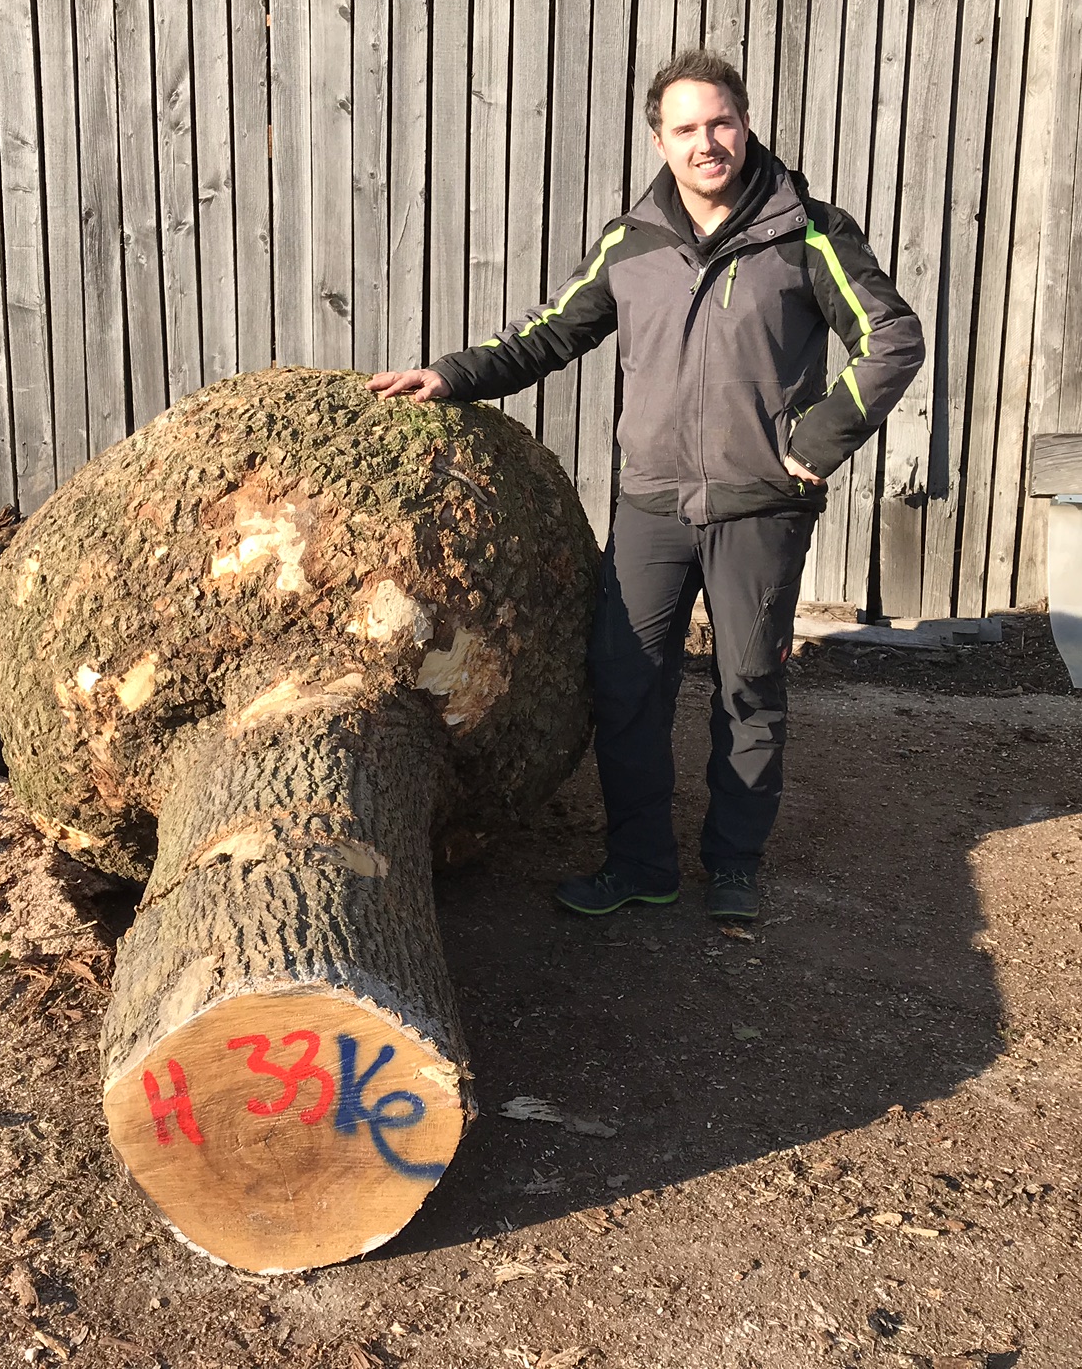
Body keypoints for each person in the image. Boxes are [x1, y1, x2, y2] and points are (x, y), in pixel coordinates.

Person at [368, 49, 924, 923]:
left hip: (759, 507)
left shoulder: (809, 232)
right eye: (687, 128)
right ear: (659, 141)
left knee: (748, 686)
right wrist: (452, 375)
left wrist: (815, 444)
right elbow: (549, 332)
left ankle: (733, 866)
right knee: (625, 684)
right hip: (652, 505)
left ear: (746, 124)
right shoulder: (632, 242)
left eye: (722, 123)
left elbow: (891, 337)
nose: (708, 143)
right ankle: (640, 863)